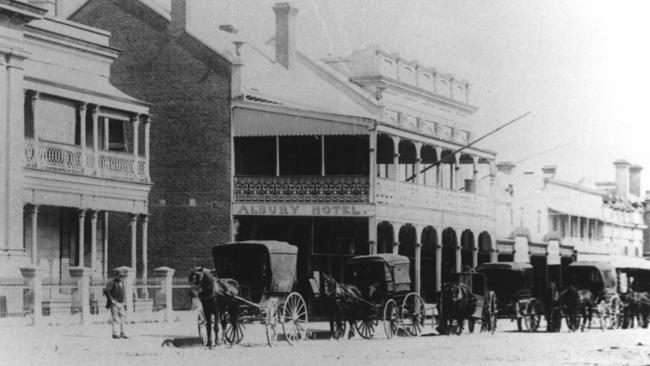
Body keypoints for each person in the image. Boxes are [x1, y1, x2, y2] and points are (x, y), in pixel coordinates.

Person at [104, 270, 128, 339]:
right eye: (120, 276)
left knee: (123, 318)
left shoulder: (122, 283)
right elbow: (106, 291)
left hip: (121, 303)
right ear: (117, 276)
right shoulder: (112, 282)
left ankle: (123, 333)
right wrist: (112, 300)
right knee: (115, 319)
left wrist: (124, 301)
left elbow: (123, 293)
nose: (122, 277)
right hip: (115, 303)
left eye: (123, 276)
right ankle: (115, 334)